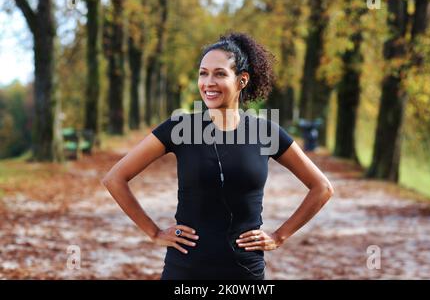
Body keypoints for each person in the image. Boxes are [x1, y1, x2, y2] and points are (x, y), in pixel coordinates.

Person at [101, 32, 334, 280]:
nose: (208, 82)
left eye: (220, 73)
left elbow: (321, 187)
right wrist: (154, 232)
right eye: (203, 73)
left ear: (242, 80)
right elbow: (115, 178)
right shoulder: (179, 128)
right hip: (185, 271)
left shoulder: (266, 132)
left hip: (244, 273)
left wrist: (279, 236)